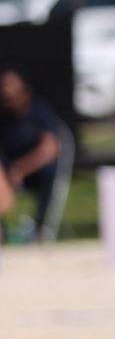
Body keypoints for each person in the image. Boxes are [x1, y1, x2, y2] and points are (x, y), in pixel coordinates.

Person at [0, 68, 64, 240]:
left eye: (11, 85)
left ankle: (41, 227)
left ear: (24, 89)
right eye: (3, 85)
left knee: (49, 172)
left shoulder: (38, 110)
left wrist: (19, 170)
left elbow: (50, 149)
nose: (6, 90)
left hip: (32, 170)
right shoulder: (2, 114)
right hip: (6, 172)